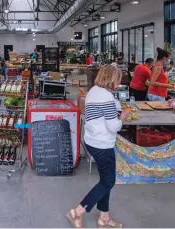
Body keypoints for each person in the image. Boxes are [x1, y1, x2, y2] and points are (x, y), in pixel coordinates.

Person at [66, 64, 130, 228]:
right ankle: (77, 212)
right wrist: (122, 117)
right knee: (108, 182)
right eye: (118, 79)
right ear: (112, 78)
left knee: (104, 180)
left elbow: (100, 112)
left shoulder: (94, 91)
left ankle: (104, 217)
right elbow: (113, 127)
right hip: (103, 144)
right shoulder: (107, 98)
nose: (119, 82)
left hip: (92, 140)